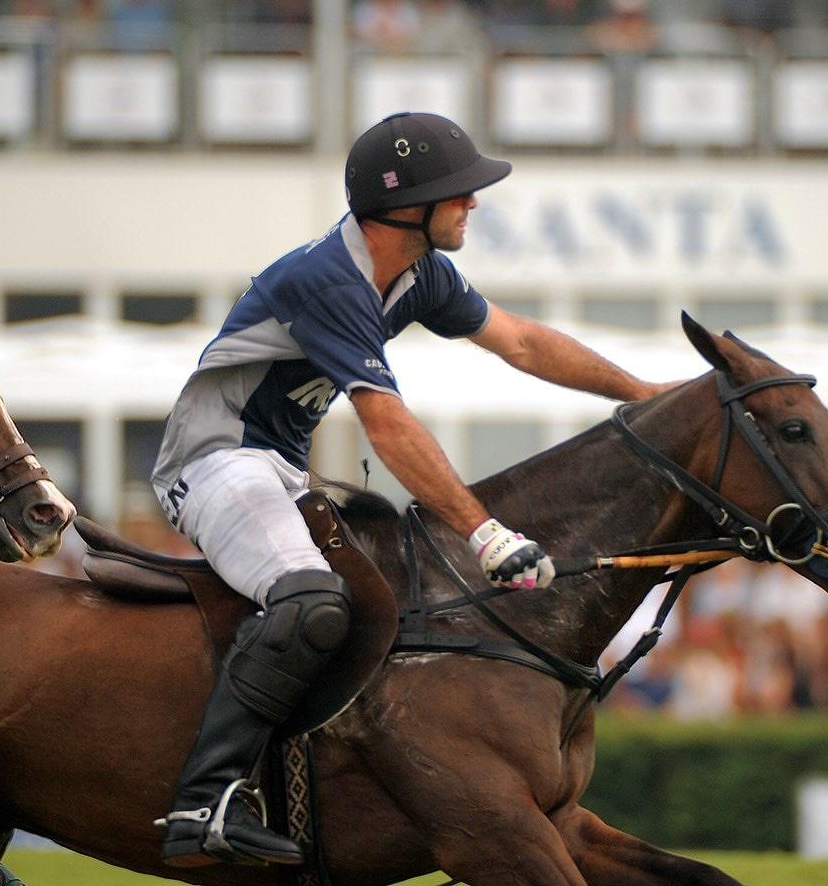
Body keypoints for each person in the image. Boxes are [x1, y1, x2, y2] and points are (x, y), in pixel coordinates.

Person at [148, 112, 672, 867]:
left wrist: (643, 393)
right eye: (460, 193)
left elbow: (520, 341)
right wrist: (483, 532)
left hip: (279, 470)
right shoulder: (328, 279)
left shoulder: (419, 274)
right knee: (308, 598)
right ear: (406, 207)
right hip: (214, 462)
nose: (475, 205)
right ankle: (205, 800)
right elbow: (387, 426)